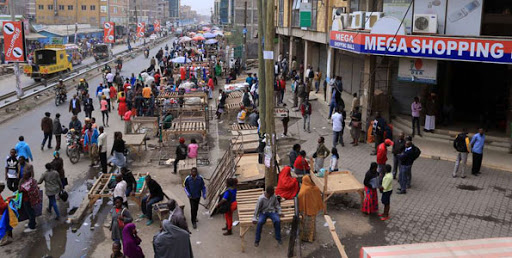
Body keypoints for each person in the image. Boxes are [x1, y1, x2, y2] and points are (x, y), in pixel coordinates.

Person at [298, 175, 324, 242]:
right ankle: (311, 238)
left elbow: (300, 198)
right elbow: (319, 198)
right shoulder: (316, 188)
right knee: (312, 225)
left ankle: (305, 238)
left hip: (305, 210)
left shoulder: (304, 190)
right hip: (313, 209)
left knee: (305, 225)